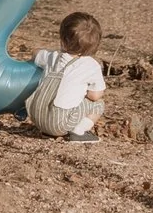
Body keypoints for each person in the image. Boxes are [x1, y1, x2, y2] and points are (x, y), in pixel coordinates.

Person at [25, 12, 106, 141]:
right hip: (59, 124)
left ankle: (49, 131)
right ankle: (79, 132)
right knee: (98, 104)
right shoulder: (91, 65)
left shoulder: (52, 56)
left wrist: (44, 51)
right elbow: (95, 96)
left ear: (62, 40)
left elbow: (35, 53)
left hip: (37, 117)